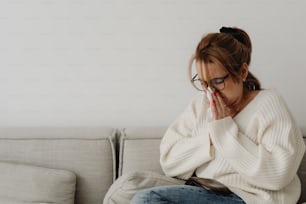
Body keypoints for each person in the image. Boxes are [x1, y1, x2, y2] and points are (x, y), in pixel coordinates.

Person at [129, 27, 306, 204]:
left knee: (146, 199)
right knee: (131, 192)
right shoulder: (201, 104)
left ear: (243, 72)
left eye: (218, 81)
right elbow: (169, 162)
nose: (211, 91)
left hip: (249, 199)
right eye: (204, 83)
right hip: (203, 191)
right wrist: (211, 139)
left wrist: (224, 130)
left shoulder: (269, 105)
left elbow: (277, 175)